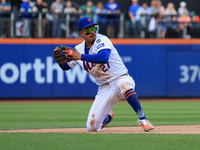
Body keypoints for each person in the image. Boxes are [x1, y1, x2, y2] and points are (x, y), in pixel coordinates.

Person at [55, 17, 154, 132]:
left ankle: (143, 120)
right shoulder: (78, 49)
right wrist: (59, 60)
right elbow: (66, 67)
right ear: (81, 33)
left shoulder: (102, 40)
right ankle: (106, 117)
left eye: (93, 28)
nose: (92, 31)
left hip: (120, 77)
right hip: (104, 88)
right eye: (88, 29)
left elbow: (103, 57)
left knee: (124, 85)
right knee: (91, 127)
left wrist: (80, 56)